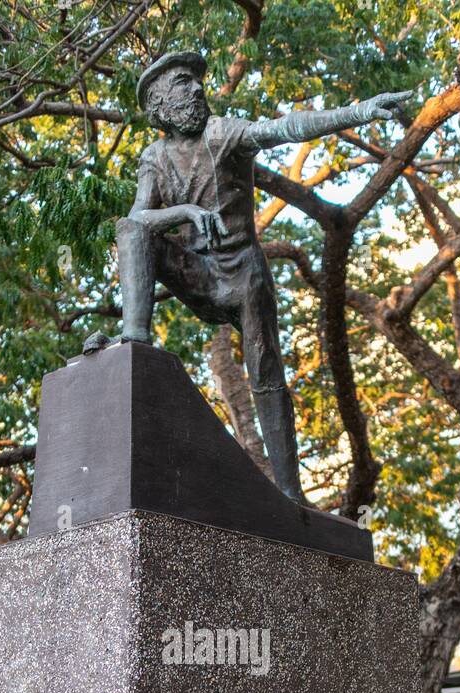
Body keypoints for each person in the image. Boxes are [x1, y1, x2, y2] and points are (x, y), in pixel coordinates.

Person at [84, 51, 411, 501]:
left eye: (198, 82)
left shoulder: (224, 133)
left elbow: (286, 128)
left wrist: (358, 111)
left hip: (244, 279)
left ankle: (291, 496)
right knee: (131, 232)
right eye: (183, 83)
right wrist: (185, 212)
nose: (197, 89)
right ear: (160, 108)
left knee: (265, 373)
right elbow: (137, 221)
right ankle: (134, 341)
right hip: (198, 272)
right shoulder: (155, 157)